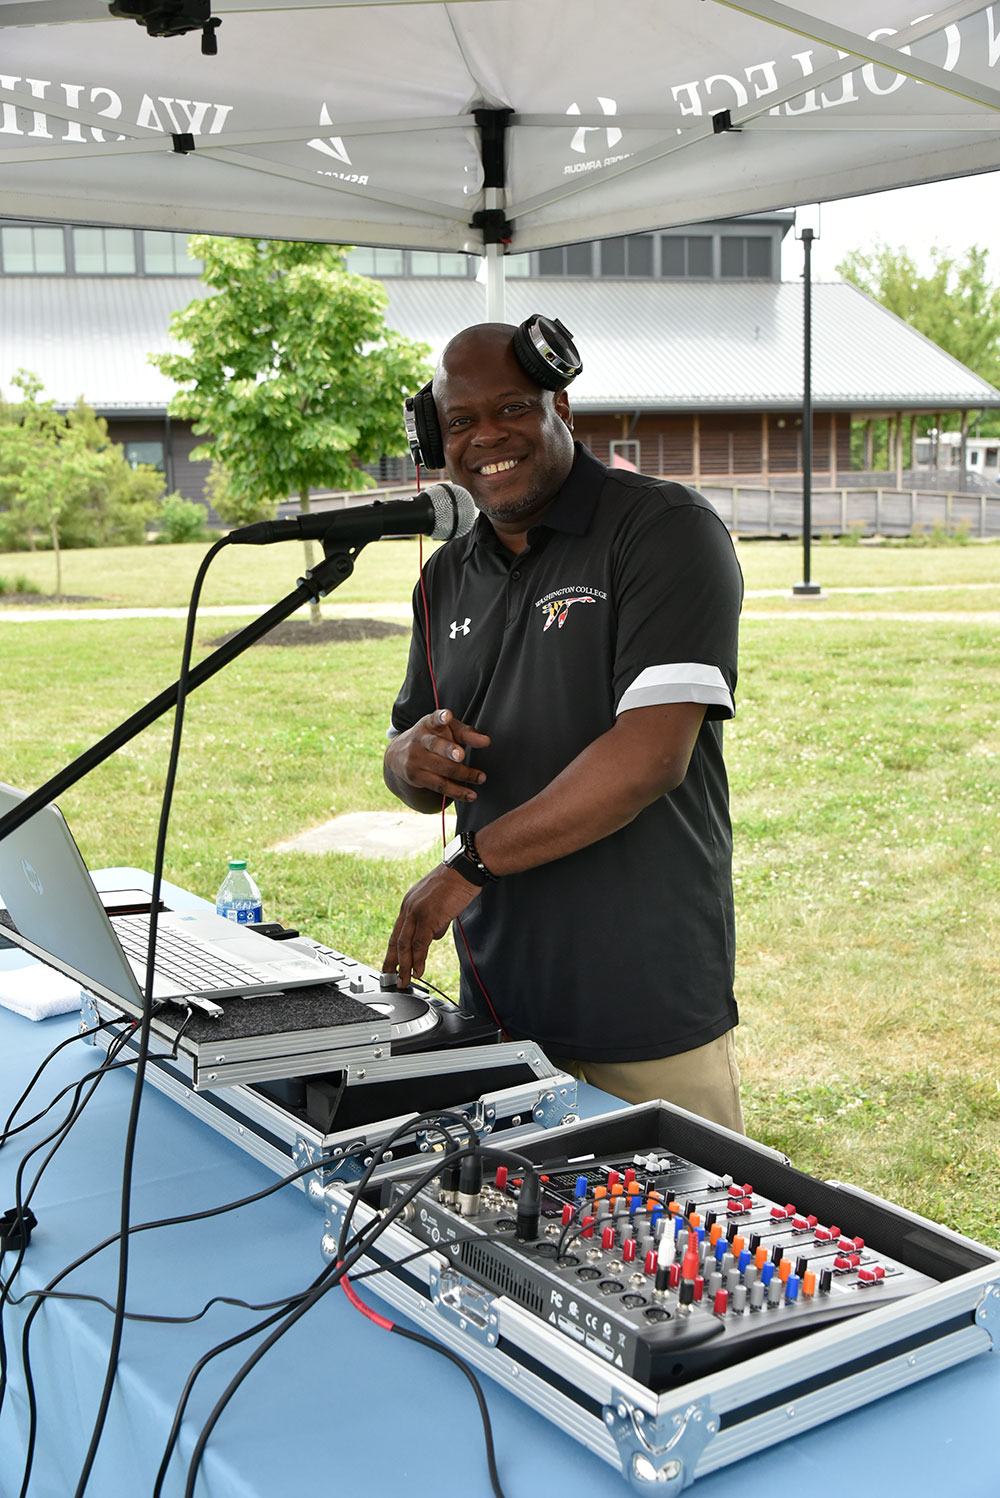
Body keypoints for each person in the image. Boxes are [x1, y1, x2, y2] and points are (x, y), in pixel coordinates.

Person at [382, 317, 744, 1132]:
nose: (487, 437)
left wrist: (467, 867)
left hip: (645, 994)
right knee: (507, 1243)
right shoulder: (443, 575)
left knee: (675, 1243)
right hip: (501, 996)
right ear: (434, 438)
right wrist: (406, 762)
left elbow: (650, 756)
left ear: (562, 406)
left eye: (511, 407)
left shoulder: (663, 529)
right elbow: (413, 758)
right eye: (462, 421)